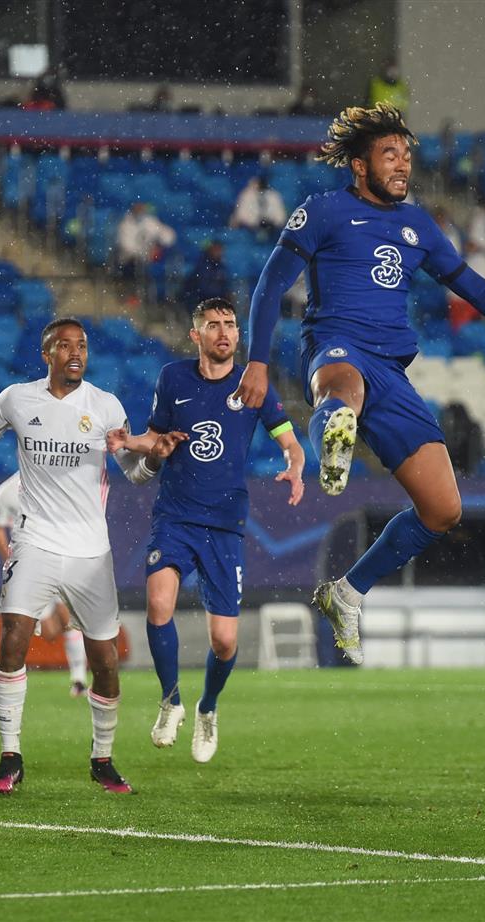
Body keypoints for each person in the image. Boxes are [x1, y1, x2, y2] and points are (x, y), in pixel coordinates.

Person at [233, 103, 485, 663]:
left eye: (406, 154)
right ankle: (334, 442)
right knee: (342, 391)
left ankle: (346, 592)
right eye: (389, 154)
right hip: (336, 346)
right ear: (359, 165)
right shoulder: (323, 211)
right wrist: (257, 361)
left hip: (392, 370)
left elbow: (483, 294)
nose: (402, 164)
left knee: (444, 510)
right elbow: (268, 286)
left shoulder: (420, 225)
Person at [0, 319, 185, 796]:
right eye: (65, 345)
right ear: (47, 353)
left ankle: (102, 760)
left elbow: (135, 473)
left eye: (82, 346)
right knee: (13, 636)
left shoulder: (105, 405)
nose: (76, 353)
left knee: (105, 659)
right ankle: (10, 757)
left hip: (90, 552)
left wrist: (156, 456)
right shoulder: (17, 398)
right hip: (33, 541)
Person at [138, 298, 304, 762]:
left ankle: (207, 709)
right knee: (158, 603)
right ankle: (171, 700)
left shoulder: (253, 382)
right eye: (213, 325)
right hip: (174, 515)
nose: (224, 332)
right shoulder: (173, 378)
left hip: (224, 524)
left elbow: (290, 441)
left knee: (225, 641)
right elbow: (155, 438)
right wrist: (149, 448)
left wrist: (296, 466)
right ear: (196, 336)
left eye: (230, 324)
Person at [0, 471, 90, 696]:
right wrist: (12, 561)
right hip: (29, 568)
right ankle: (14, 675)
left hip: (60, 560)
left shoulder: (60, 484)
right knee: (49, 631)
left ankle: (79, 678)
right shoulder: (8, 491)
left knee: (71, 616)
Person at [115, 202, 177, 282]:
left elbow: (169, 236)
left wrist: (159, 246)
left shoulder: (150, 222)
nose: (140, 209)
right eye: (137, 207)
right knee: (134, 267)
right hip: (129, 261)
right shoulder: (125, 224)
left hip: (149, 261)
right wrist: (147, 252)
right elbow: (127, 247)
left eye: (141, 207)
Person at [183, 241, 231, 307]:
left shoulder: (222, 267)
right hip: (201, 301)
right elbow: (202, 288)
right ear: (210, 250)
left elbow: (226, 286)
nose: (218, 252)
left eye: (220, 250)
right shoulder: (201, 266)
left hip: (216, 302)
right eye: (216, 249)